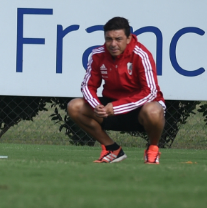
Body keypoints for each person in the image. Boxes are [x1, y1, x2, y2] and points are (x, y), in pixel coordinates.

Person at [67, 17, 165, 164]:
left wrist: (117, 107)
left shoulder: (141, 54)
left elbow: (150, 92)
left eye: (118, 39)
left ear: (128, 38)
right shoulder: (97, 54)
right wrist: (96, 106)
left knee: (154, 111)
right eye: (109, 39)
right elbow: (88, 86)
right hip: (110, 107)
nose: (113, 44)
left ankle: (152, 150)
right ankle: (112, 149)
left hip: (140, 107)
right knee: (74, 106)